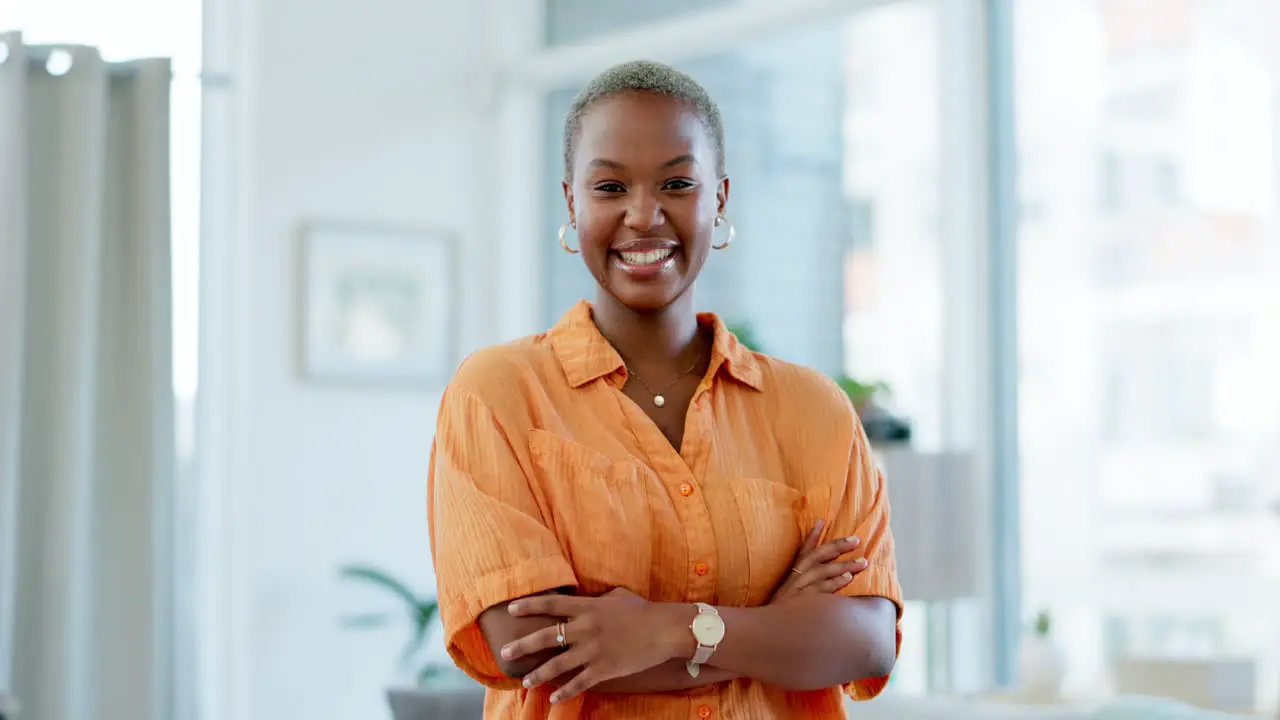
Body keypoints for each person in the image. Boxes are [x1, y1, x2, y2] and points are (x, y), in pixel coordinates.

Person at [428, 59, 902, 719]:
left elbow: (867, 643)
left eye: (677, 183)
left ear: (720, 199)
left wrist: (669, 629)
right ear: (572, 200)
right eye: (610, 187)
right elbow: (531, 648)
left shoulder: (813, 410)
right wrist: (776, 625)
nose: (643, 216)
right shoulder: (500, 394)